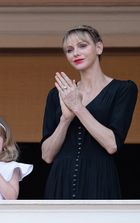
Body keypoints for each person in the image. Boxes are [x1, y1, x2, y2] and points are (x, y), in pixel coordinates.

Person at [41, 25, 138, 199]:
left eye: (82, 46)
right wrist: (65, 119)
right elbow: (47, 155)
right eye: (69, 50)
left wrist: (78, 108)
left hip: (99, 178)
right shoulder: (57, 94)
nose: (75, 53)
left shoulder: (124, 89)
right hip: (60, 178)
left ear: (99, 48)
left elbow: (112, 145)